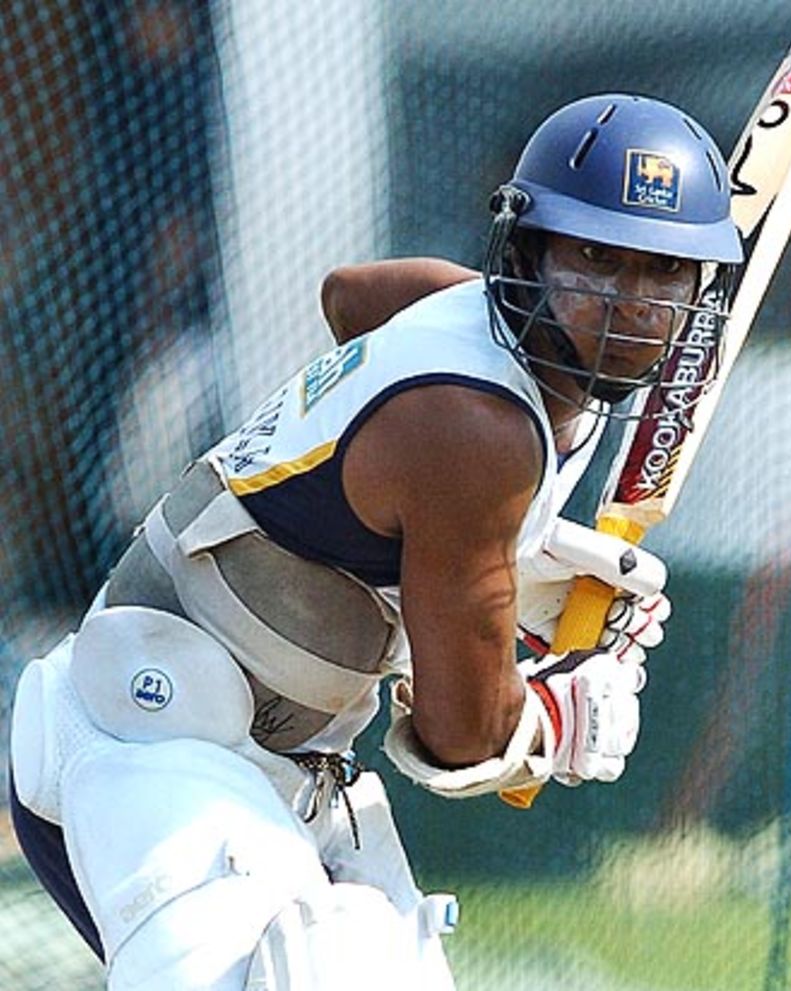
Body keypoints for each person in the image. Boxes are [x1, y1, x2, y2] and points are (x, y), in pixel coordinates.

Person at [8, 92, 743, 989]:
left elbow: (348, 296)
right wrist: (562, 715)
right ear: (527, 250)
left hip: (277, 759)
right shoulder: (479, 430)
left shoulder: (462, 310)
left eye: (663, 271)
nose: (628, 304)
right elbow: (462, 736)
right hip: (148, 738)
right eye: (595, 257)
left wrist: (470, 548)